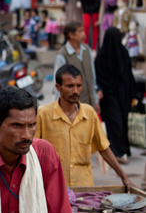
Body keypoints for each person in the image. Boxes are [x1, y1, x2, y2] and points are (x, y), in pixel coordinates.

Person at [35, 64, 134, 189]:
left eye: (78, 86)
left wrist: (124, 177)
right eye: (70, 86)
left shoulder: (89, 113)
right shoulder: (43, 114)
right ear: (58, 87)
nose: (75, 91)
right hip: (53, 188)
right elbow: (32, 151)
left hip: (84, 186)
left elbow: (103, 148)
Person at [95, 27, 137, 164]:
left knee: (122, 123)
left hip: (121, 96)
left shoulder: (121, 53)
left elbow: (128, 76)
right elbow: (100, 78)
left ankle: (123, 151)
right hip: (110, 97)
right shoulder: (103, 57)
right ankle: (117, 152)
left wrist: (133, 95)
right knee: (116, 123)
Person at [54, 21, 99, 112]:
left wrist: (95, 100)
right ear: (71, 35)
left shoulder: (86, 50)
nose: (84, 34)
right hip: (72, 106)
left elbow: (92, 77)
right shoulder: (62, 55)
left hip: (89, 102)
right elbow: (57, 83)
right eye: (80, 31)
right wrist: (59, 107)